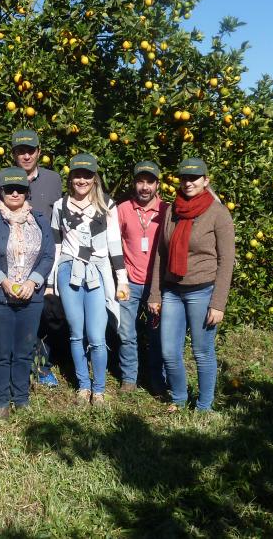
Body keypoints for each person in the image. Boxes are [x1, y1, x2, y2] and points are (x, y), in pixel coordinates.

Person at [148, 158, 235, 412]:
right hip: (173, 290)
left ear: (205, 180)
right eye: (184, 178)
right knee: (169, 351)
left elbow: (226, 260)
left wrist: (218, 303)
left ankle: (204, 405)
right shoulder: (172, 211)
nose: (188, 183)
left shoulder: (218, 213)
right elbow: (161, 254)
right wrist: (155, 293)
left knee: (202, 351)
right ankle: (178, 397)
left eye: (194, 178)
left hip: (202, 291)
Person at [48, 153, 129, 407]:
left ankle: (99, 389)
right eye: (77, 175)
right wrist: (50, 282)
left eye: (87, 175)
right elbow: (56, 246)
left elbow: (115, 245)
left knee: (96, 335)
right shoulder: (60, 205)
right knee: (75, 333)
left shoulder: (107, 205)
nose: (81, 180)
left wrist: (122, 279)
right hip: (68, 271)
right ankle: (83, 386)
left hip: (97, 271)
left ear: (95, 178)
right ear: (70, 178)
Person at [0, 167, 55, 417]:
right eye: (9, 189)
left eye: (20, 189)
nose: (15, 193)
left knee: (24, 350)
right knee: (0, 350)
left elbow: (48, 255)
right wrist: (3, 282)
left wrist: (33, 282)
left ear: (27, 192)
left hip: (31, 298)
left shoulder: (39, 220)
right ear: (1, 192)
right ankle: (0, 399)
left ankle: (20, 396)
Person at [0, 130, 63, 387]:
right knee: (9, 320)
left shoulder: (53, 180)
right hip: (9, 261)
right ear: (13, 154)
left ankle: (41, 367)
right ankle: (10, 368)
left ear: (39, 152)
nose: (26, 155)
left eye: (31, 150)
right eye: (21, 151)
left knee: (43, 317)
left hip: (42, 261)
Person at [115, 160, 167, 393]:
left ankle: (157, 379)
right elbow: (114, 244)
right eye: (140, 181)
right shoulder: (123, 209)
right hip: (129, 283)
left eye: (150, 182)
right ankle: (129, 378)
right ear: (134, 183)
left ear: (157, 184)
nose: (145, 187)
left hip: (157, 285)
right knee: (126, 333)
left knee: (157, 334)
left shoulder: (166, 210)